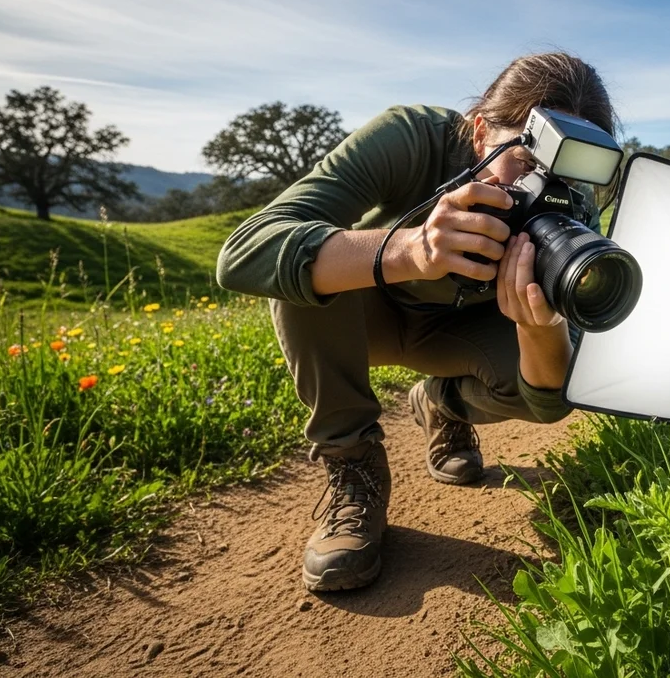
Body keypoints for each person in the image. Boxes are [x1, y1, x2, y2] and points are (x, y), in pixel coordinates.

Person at [215, 52, 621, 592]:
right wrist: (413, 249)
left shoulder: (574, 212)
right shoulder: (412, 137)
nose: (544, 184)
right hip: (365, 317)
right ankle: (352, 465)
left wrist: (541, 327)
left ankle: (439, 404)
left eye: (569, 171)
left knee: (556, 377)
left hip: (461, 335)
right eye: (527, 158)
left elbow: (550, 398)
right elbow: (244, 253)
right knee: (303, 275)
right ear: (480, 133)